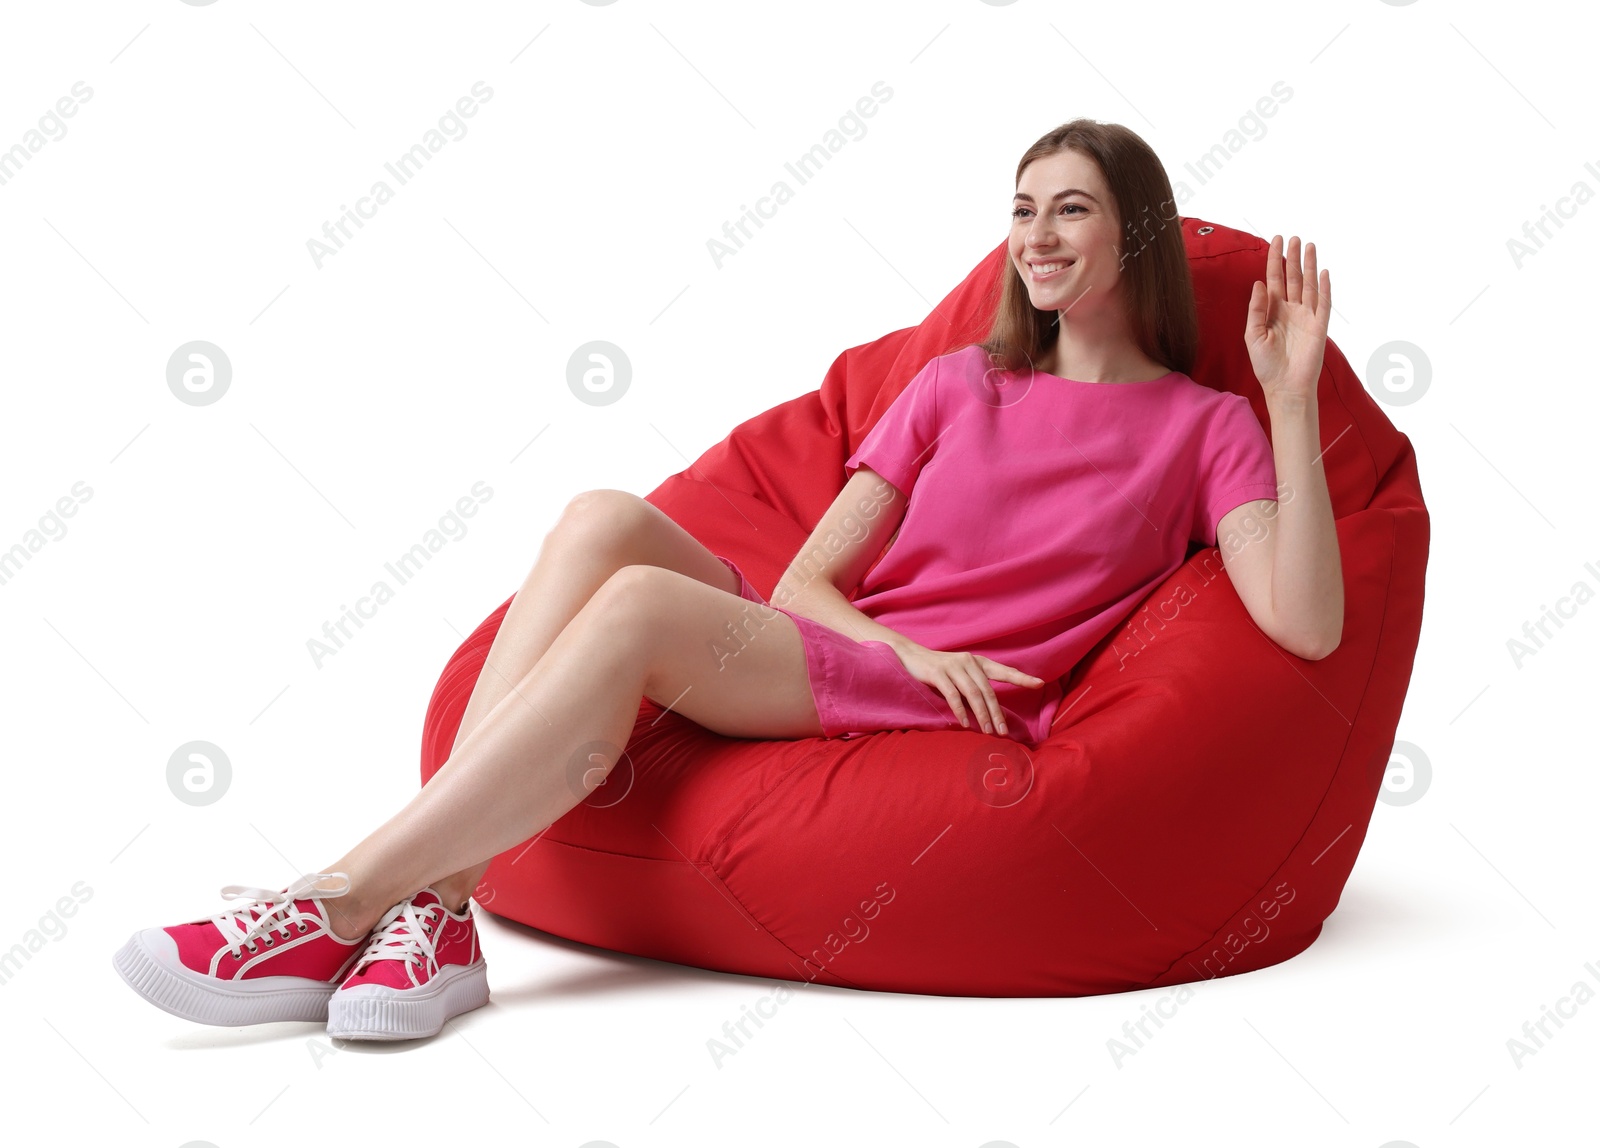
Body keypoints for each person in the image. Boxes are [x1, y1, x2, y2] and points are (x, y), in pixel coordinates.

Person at [112, 119, 1343, 1042]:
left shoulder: (1204, 428)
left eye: (1069, 210)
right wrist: (902, 645)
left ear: (1131, 234)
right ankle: (432, 910)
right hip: (867, 652)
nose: (1035, 237)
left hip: (951, 703)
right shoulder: (958, 385)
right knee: (602, 519)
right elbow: (809, 578)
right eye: (1021, 209)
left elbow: (1305, 623)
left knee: (641, 609)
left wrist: (1288, 399)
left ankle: (332, 902)